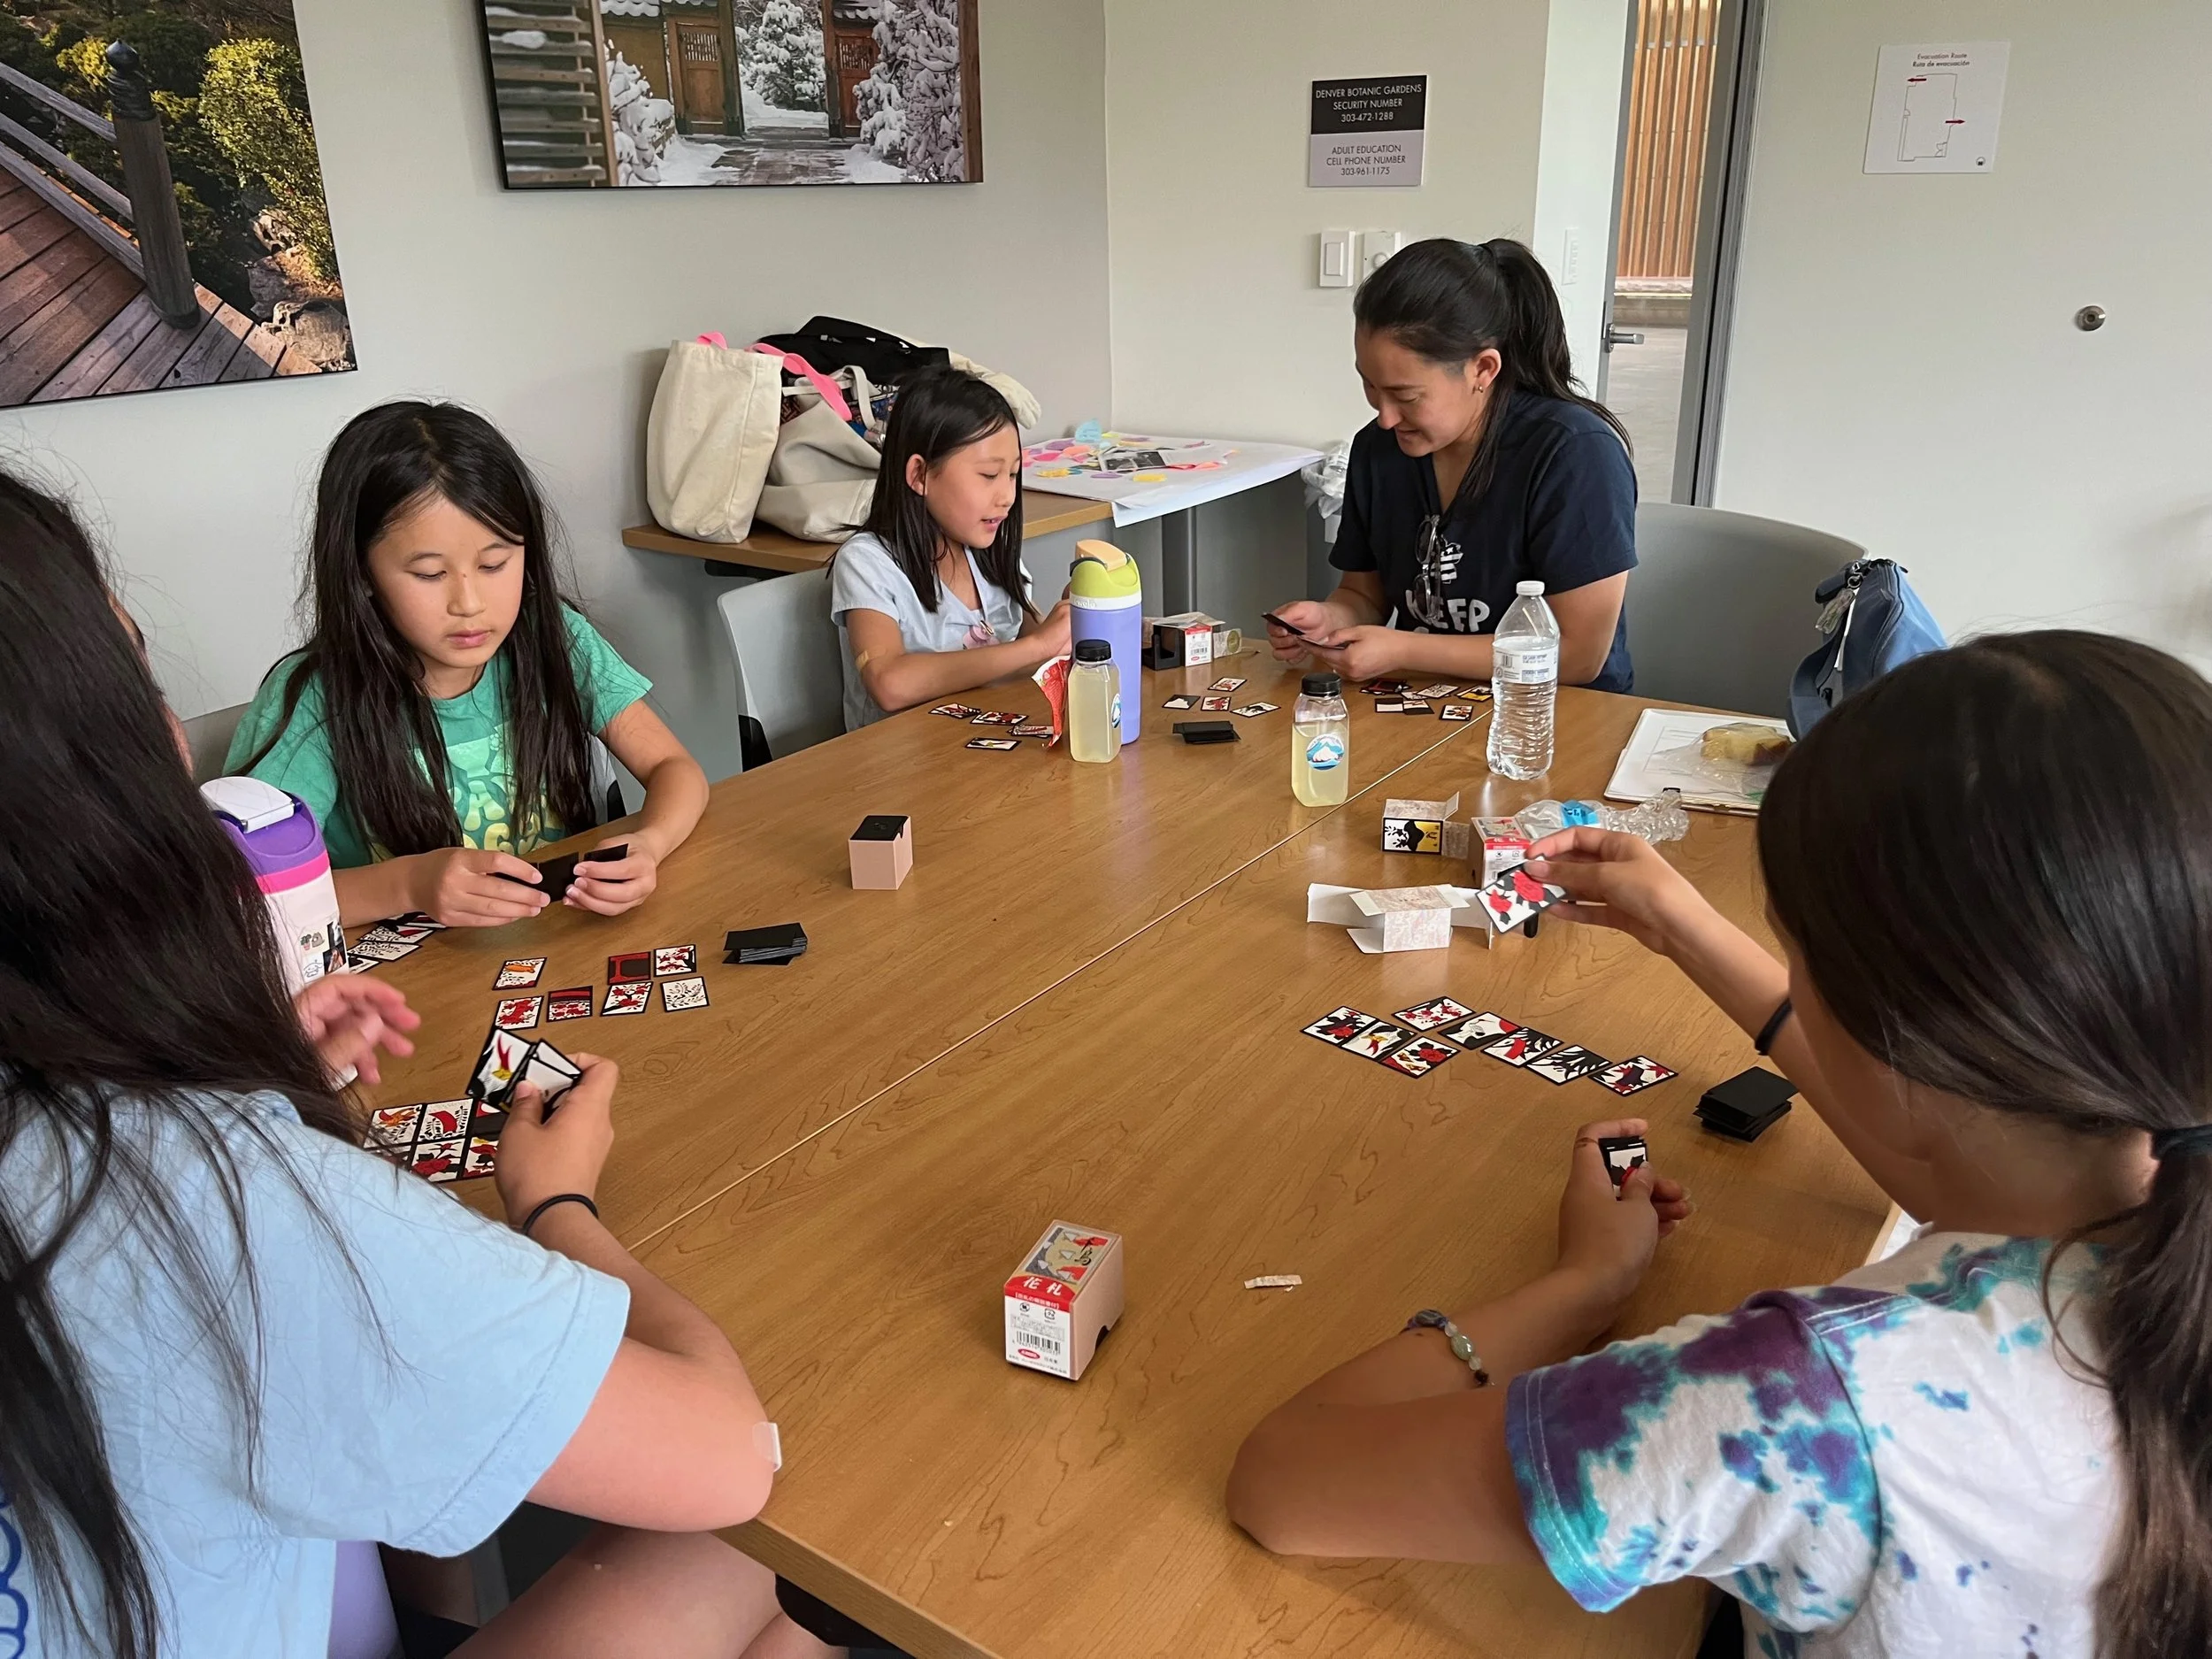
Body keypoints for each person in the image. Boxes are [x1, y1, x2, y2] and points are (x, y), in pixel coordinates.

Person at [1228, 631, 2212, 1659]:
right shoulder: (2144, 1150)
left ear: (1910, 1051)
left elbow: (1284, 1483)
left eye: (1799, 954)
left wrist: (1585, 1287)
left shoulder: (1804, 1404)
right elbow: (1943, 1154)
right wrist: (1680, 923)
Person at [0, 479, 843, 1659]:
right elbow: (727, 1454)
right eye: (135, 672)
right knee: (798, 1535)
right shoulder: (191, 1193)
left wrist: (252, 1074)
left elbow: (671, 776)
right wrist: (555, 1199)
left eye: (496, 562)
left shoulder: (557, 649)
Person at [228, 401, 709, 929]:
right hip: (408, 985)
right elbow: (250, 893)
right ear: (361, 572)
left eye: (494, 564)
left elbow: (675, 770)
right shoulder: (316, 697)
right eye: (431, 574)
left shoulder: (553, 636)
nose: (470, 603)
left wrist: (649, 843)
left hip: (556, 945)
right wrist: (410, 884)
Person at [1266, 237, 1637, 693]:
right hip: (1428, 702)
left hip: (1555, 713)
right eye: (1370, 386)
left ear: (1483, 369)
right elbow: (1364, 595)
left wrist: (1403, 650)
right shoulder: (1377, 449)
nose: (1385, 416)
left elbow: (1579, 654)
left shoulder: (1574, 454)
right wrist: (1327, 620)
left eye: (1406, 396)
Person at [832, 365, 1070, 728]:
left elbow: (1036, 651)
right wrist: (1039, 647)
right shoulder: (867, 563)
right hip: (897, 772)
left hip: (983, 753)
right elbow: (889, 683)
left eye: (1013, 474)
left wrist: (1075, 621)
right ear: (920, 475)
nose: (1007, 496)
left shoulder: (988, 553)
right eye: (989, 475)